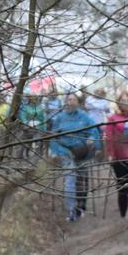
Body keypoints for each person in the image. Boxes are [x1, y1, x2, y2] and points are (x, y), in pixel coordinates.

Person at [46, 92, 101, 221]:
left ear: (77, 102)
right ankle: (71, 210)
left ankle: (81, 205)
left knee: (82, 179)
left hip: (83, 152)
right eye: (68, 99)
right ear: (65, 102)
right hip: (66, 152)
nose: (71, 102)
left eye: (73, 99)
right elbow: (53, 137)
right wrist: (56, 151)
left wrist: (93, 140)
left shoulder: (84, 116)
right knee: (70, 180)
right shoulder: (59, 118)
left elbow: (94, 130)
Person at [103, 92, 128, 219]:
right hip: (119, 157)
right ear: (118, 103)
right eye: (122, 100)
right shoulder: (113, 118)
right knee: (123, 186)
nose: (125, 103)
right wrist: (110, 154)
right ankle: (124, 213)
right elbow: (109, 137)